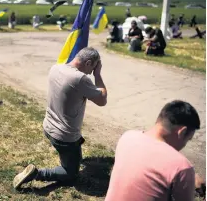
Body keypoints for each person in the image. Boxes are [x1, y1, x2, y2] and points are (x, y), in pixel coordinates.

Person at [13, 47, 107, 189]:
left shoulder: (56, 68)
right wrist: (98, 74)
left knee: (75, 157)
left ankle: (71, 156)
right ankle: (36, 174)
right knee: (70, 174)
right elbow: (102, 100)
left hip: (48, 126)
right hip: (65, 137)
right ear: (88, 63)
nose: (92, 71)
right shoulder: (80, 78)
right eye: (93, 67)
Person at [105, 100, 202, 201]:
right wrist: (188, 180)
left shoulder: (127, 137)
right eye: (188, 139)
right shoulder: (182, 167)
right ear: (182, 132)